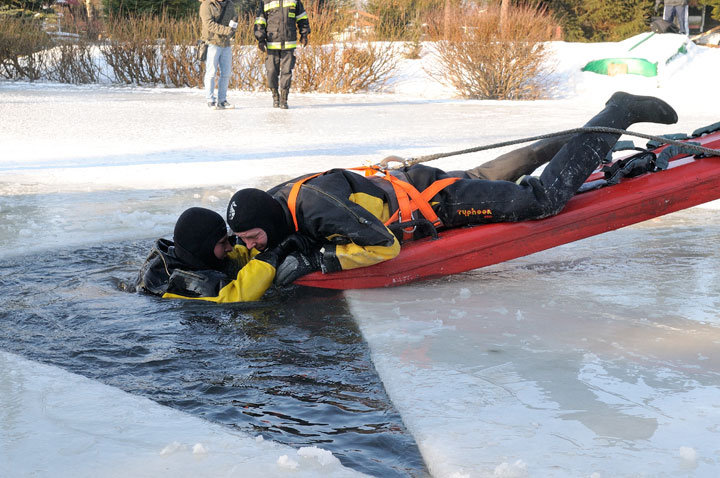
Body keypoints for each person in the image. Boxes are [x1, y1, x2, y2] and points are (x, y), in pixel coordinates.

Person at [225, 92, 679, 285]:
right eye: (243, 242)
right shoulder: (278, 203)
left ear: (267, 221)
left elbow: (382, 245)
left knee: (539, 201)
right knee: (483, 177)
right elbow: (275, 233)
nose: (251, 245)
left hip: (436, 201)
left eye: (251, 238)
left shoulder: (315, 206)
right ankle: (587, 140)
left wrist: (320, 258)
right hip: (415, 186)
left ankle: (616, 113)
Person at [136, 207, 295, 302]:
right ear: (203, 247)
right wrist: (275, 253)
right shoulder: (180, 281)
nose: (229, 248)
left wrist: (252, 244)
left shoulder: (193, 255)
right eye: (223, 242)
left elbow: (232, 257)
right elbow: (237, 296)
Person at [254, 0, 311, 109]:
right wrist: (260, 39)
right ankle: (275, 96)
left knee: (286, 72)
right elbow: (260, 20)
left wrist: (304, 34)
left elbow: (302, 17)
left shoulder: (294, 1)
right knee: (271, 71)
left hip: (289, 42)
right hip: (271, 43)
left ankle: (284, 100)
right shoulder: (265, 1)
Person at [200, 0, 239, 109]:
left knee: (226, 73)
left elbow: (233, 18)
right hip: (212, 42)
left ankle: (222, 100)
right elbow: (209, 24)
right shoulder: (206, 5)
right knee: (211, 73)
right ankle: (210, 100)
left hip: (225, 43)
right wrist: (227, 30)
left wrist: (234, 25)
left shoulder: (230, 4)